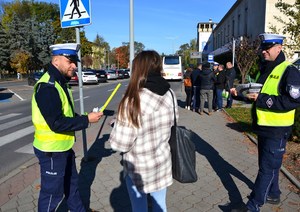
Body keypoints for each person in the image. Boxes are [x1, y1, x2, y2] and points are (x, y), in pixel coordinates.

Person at [231, 33, 300, 212]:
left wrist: (262, 99)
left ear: (279, 48)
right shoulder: (266, 69)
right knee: (268, 166)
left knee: (267, 169)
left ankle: (253, 206)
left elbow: (292, 101)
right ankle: (273, 194)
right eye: (262, 48)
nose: (263, 51)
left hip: (277, 129)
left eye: (267, 48)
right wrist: (240, 94)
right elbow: (257, 96)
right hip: (264, 127)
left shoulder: (289, 70)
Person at [32, 43, 103, 211]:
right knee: (51, 195)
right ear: (56, 61)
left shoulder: (60, 83)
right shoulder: (48, 87)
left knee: (72, 187)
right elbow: (57, 122)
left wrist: (85, 117)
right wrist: (86, 120)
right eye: (70, 61)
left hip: (64, 148)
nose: (74, 66)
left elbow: (66, 116)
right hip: (51, 152)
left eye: (75, 62)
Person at [109, 50, 178, 212]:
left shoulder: (133, 100)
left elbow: (120, 144)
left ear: (137, 69)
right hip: (162, 161)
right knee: (160, 206)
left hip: (139, 169)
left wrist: (117, 125)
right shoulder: (170, 93)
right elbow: (174, 122)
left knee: (139, 208)